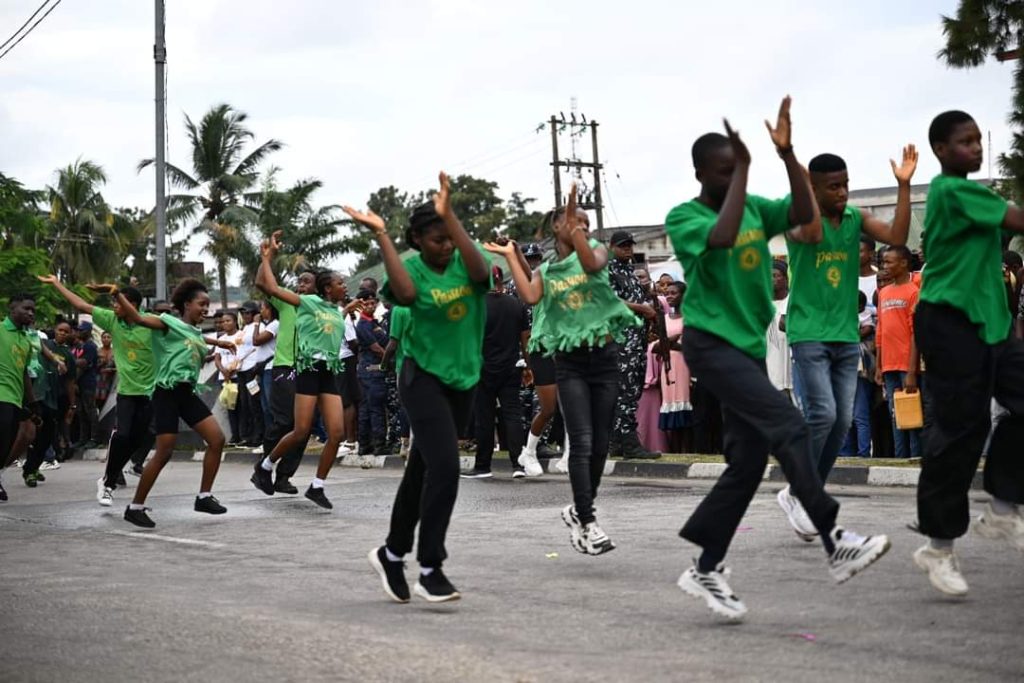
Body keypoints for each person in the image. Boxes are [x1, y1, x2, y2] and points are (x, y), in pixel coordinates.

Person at [665, 99, 890, 620]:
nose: (731, 177)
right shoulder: (686, 217)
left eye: (735, 168)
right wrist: (743, 172)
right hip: (710, 342)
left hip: (743, 347)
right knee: (791, 423)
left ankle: (705, 566)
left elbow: (808, 215)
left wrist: (786, 154)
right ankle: (834, 538)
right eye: (722, 170)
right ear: (700, 173)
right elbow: (720, 240)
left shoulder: (758, 208)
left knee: (745, 465)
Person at [346, 172, 491, 603]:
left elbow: (483, 272)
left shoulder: (468, 259)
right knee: (446, 467)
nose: (445, 246)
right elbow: (406, 295)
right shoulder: (408, 268)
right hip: (421, 376)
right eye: (435, 240)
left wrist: (451, 216)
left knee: (421, 471)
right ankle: (430, 567)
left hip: (464, 377)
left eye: (449, 238)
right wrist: (383, 237)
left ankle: (392, 553)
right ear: (416, 241)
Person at [487, 183, 638, 556]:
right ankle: (588, 522)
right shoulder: (549, 271)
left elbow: (589, 262)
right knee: (582, 442)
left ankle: (580, 508)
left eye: (586, 224)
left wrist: (578, 227)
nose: (582, 228)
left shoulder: (598, 253)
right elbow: (530, 296)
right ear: (557, 229)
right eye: (576, 223)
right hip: (570, 363)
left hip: (604, 360)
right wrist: (511, 256)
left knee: (601, 444)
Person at [778, 145, 917, 540]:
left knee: (840, 421)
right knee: (822, 413)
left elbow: (897, 236)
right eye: (833, 187)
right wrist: (790, 159)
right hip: (808, 333)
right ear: (815, 188)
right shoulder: (799, 219)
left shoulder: (856, 218)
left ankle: (799, 493)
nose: (842, 193)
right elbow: (811, 229)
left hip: (844, 334)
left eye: (846, 185)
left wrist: (903, 186)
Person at [911, 110, 1024, 596]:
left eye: (979, 140)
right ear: (940, 150)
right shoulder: (952, 192)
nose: (976, 148)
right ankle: (938, 548)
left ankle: (1002, 509)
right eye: (965, 141)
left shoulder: (980, 197)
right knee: (961, 430)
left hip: (991, 321)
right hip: (949, 320)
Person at [108, 279, 236, 528]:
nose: (206, 309)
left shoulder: (196, 332)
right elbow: (140, 319)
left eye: (207, 305)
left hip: (186, 393)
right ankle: (135, 507)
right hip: (166, 393)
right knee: (164, 452)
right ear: (187, 304)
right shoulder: (167, 322)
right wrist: (117, 294)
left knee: (217, 440)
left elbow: (193, 344)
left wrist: (219, 345)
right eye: (202, 304)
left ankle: (204, 496)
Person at [251, 233, 353, 509]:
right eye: (340, 283)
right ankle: (265, 466)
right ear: (327, 289)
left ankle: (317, 487)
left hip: (327, 372)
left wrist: (350, 307)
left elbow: (330, 328)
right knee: (300, 430)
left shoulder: (335, 308)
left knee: (336, 433)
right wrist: (267, 255)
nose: (345, 286)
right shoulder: (304, 302)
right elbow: (267, 284)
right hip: (306, 369)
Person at [37, 277, 156, 507]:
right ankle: (108, 483)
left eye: (119, 303)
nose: (114, 307)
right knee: (121, 435)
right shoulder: (113, 320)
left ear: (132, 305)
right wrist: (56, 284)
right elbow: (82, 306)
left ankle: (109, 477)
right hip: (127, 392)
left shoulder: (152, 323)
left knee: (136, 440)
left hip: (149, 393)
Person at [463, 265, 531, 478]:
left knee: (485, 417)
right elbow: (526, 338)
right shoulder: (516, 304)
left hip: (482, 369)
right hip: (511, 367)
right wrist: (528, 366)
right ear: (502, 280)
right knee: (512, 415)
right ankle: (518, 465)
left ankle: (483, 466)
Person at [511, 242, 570, 475]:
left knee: (571, 405)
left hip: (566, 347)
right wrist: (514, 251)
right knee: (548, 408)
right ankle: (529, 451)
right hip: (542, 348)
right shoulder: (543, 276)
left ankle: (568, 455)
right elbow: (527, 273)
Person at [257, 269, 318, 495]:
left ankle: (283, 477)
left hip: (308, 370)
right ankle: (263, 467)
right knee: (284, 421)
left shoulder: (319, 309)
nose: (301, 285)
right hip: (285, 368)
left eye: (306, 282)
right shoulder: (287, 304)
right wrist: (266, 258)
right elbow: (261, 283)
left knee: (303, 427)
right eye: (299, 281)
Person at [607, 230, 661, 460]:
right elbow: (608, 300)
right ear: (612, 247)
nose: (627, 248)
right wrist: (641, 308)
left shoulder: (630, 270)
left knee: (632, 390)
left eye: (630, 244)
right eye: (622, 245)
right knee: (626, 392)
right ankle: (630, 444)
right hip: (621, 340)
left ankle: (618, 442)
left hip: (636, 338)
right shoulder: (608, 270)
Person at [874, 246, 921, 458]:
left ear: (903, 263)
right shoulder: (883, 293)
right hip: (889, 365)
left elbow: (915, 334)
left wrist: (912, 370)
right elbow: (881, 330)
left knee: (911, 415)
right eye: (884, 262)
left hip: (906, 364)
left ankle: (914, 456)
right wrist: (879, 365)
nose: (885, 266)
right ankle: (900, 458)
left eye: (889, 262)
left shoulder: (913, 292)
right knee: (895, 415)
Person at [0, 295, 38, 501]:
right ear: (12, 309)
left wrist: (33, 403)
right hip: (1, 395)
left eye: (33, 310)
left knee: (10, 442)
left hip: (15, 398)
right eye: (26, 309)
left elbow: (24, 373)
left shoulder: (26, 340)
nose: (31, 313)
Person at [657, 281, 693, 453]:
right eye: (667, 293)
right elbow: (656, 346)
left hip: (685, 367)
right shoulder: (662, 319)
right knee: (670, 405)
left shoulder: (690, 318)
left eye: (674, 293)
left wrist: (669, 344)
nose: (669, 296)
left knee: (685, 405)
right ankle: (674, 450)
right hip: (667, 368)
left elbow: (691, 347)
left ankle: (687, 450)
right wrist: (672, 341)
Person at [354, 289, 390, 456]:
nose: (370, 306)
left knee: (368, 408)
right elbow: (377, 348)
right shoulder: (363, 325)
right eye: (366, 303)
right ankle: (377, 444)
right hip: (372, 370)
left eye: (373, 302)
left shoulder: (374, 322)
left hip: (372, 371)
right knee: (373, 409)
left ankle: (366, 445)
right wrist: (389, 359)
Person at [236, 301, 265, 448]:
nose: (245, 315)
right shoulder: (244, 328)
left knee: (255, 403)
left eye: (247, 312)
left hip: (252, 369)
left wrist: (256, 324)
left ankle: (259, 435)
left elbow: (256, 345)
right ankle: (247, 435)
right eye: (243, 313)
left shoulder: (259, 326)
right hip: (241, 370)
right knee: (245, 403)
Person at [766, 260, 794, 399]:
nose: (772, 279)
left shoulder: (794, 301)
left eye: (776, 275)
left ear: (786, 278)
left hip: (793, 368)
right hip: (771, 371)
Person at [214, 312, 242, 446]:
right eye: (223, 321)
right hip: (224, 378)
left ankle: (244, 435)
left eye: (228, 321)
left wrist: (232, 370)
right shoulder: (221, 339)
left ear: (235, 321)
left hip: (237, 376)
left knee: (242, 406)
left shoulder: (240, 335)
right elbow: (217, 358)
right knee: (230, 407)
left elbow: (242, 355)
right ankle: (235, 436)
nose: (225, 324)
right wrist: (223, 370)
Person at [72, 321, 100, 450]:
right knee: (80, 412)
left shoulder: (90, 346)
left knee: (90, 410)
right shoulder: (78, 346)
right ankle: (83, 439)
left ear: (88, 332)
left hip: (88, 383)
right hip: (78, 384)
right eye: (78, 330)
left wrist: (70, 362)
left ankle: (94, 438)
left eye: (82, 330)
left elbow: (83, 364)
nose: (79, 332)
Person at [252, 300, 279, 428]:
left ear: (269, 309)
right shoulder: (268, 325)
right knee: (265, 407)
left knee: (271, 404)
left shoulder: (275, 325)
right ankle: (270, 438)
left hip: (270, 368)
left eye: (262, 308)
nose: (260, 312)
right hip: (262, 370)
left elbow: (256, 340)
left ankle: (277, 435)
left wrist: (256, 324)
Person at [96, 331, 116, 407]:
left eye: (108, 337)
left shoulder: (115, 352)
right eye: (104, 337)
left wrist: (112, 370)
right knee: (96, 402)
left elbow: (119, 368)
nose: (106, 339)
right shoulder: (97, 351)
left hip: (110, 380)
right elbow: (92, 366)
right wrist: (101, 364)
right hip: (98, 380)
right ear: (101, 339)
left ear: (112, 339)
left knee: (107, 403)